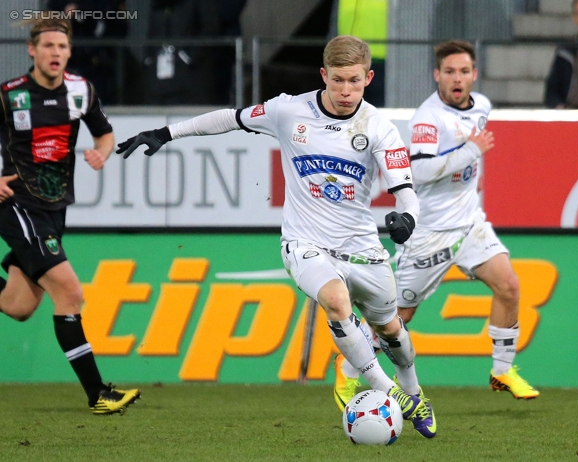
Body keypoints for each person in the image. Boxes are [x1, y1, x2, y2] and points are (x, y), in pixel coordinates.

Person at [117, 35, 436, 438]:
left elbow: (406, 191)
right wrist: (167, 132)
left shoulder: (379, 128)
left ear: (368, 78)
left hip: (363, 248)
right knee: (336, 303)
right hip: (305, 244)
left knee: (391, 331)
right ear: (323, 75)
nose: (345, 90)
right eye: (337, 80)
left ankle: (413, 390)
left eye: (354, 81)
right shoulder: (289, 110)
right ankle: (393, 394)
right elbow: (228, 118)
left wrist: (406, 218)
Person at [334, 39, 540, 404]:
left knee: (508, 285)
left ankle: (503, 369)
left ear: (474, 75)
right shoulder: (428, 119)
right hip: (429, 232)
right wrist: (472, 151)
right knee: (398, 316)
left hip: (469, 223)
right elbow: (421, 170)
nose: (456, 79)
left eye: (463, 71)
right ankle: (349, 371)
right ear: (437, 76)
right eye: (449, 72)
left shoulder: (483, 107)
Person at [0, 18, 140, 415]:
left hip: (54, 208)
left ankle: (99, 394)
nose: (56, 53)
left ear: (69, 52)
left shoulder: (80, 91)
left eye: (62, 46)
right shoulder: (10, 95)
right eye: (48, 46)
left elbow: (104, 132)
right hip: (17, 205)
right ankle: (99, 394)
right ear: (32, 50)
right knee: (70, 292)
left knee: (19, 306)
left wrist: (103, 150)